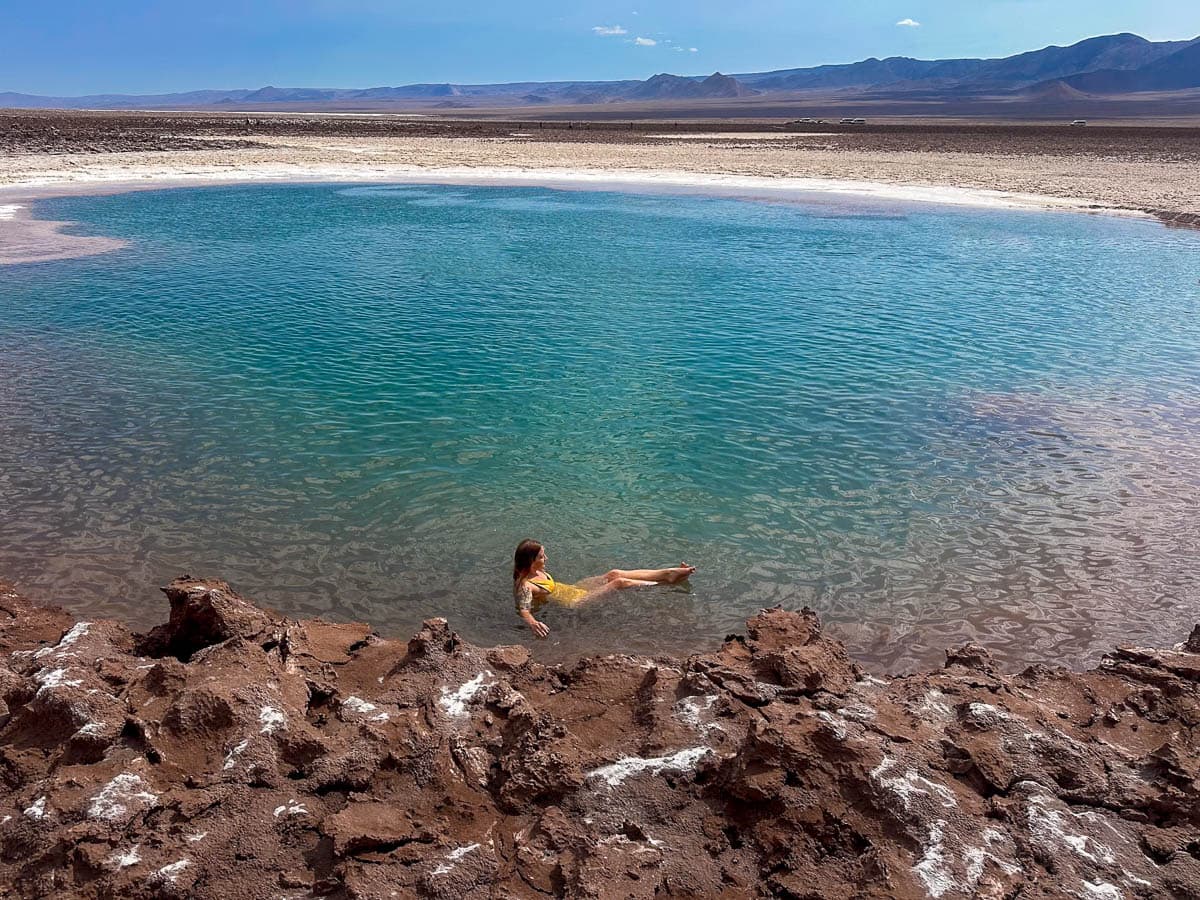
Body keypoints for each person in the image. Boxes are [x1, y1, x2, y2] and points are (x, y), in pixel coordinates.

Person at [512, 539, 696, 638]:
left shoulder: (536, 571)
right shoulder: (526, 585)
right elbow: (523, 609)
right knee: (619, 583)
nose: (547, 559)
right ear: (531, 561)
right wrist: (533, 623)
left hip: (572, 589)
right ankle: (667, 582)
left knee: (613, 574)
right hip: (575, 601)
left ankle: (667, 573)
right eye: (542, 557)